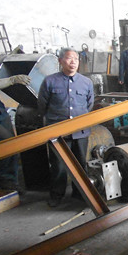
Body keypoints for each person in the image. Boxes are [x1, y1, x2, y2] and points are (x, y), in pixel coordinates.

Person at [38, 48, 94, 207]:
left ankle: (80, 194)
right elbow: (42, 106)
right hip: (57, 134)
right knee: (58, 165)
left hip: (80, 132)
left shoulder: (86, 82)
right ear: (60, 61)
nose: (73, 62)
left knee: (80, 164)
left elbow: (89, 105)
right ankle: (57, 195)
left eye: (76, 59)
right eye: (69, 58)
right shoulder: (49, 81)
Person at [0, 74, 30, 193]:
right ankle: (5, 181)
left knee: (12, 144)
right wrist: (11, 80)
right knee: (7, 143)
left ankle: (9, 180)